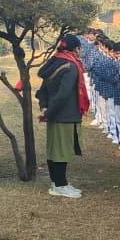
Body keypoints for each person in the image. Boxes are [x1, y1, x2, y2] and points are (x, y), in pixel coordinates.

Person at [36, 35, 91, 199]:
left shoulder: (54, 61)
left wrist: (45, 108)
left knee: (54, 150)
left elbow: (43, 89)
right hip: (65, 115)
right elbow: (63, 95)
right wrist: (49, 112)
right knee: (62, 152)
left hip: (54, 113)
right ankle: (60, 185)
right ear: (76, 49)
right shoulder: (71, 66)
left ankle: (57, 183)